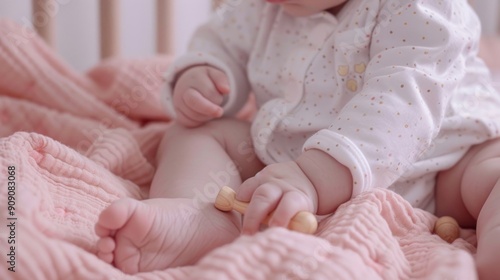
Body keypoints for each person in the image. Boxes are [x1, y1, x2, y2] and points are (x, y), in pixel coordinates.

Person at [94, 0, 500, 278]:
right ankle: (198, 218)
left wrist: (314, 177)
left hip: (442, 159)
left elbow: (402, 105)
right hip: (287, 155)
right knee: (195, 134)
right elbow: (221, 42)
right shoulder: (266, 7)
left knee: (492, 170)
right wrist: (204, 76)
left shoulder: (423, 9)